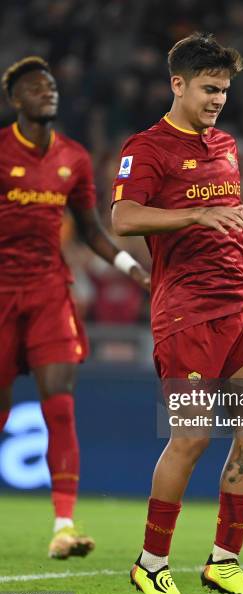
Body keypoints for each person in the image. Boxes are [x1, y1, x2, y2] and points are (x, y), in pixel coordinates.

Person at [112, 33, 243, 594]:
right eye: (209, 89)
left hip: (239, 303)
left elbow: (233, 216)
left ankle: (224, 563)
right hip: (186, 310)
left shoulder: (226, 144)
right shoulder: (148, 147)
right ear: (177, 84)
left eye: (225, 91)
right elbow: (123, 218)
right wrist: (194, 214)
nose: (218, 100)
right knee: (192, 436)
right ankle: (151, 564)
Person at [0, 57, 150, 559]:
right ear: (16, 100)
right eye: (36, 87)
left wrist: (134, 270)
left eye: (52, 85)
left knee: (60, 406)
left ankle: (63, 526)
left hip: (48, 292)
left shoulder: (74, 158)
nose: (49, 92)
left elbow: (91, 230)